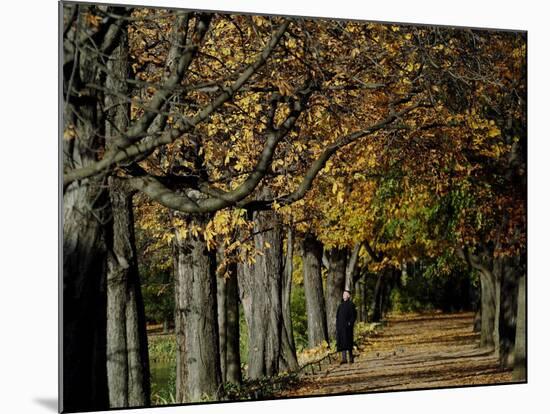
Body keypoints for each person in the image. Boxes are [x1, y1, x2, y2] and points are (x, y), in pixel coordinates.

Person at [336, 289, 357, 364]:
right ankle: (344, 358)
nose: (343, 295)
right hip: (341, 327)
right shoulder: (340, 305)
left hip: (347, 327)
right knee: (342, 342)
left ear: (349, 296)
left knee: (348, 342)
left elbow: (354, 316)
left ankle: (351, 357)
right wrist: (338, 326)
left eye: (345, 294)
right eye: (343, 294)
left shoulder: (351, 305)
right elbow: (337, 316)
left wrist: (350, 323)